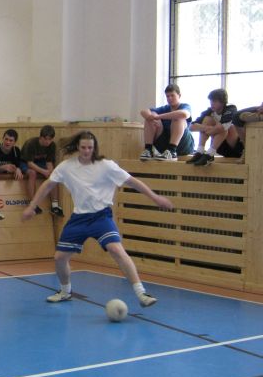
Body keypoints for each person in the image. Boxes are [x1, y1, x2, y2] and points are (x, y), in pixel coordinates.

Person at [22, 131, 172, 308]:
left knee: (116, 249)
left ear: (95, 148)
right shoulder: (66, 167)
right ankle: (65, 291)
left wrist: (155, 197)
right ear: (78, 147)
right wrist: (32, 206)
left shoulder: (106, 166)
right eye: (83, 147)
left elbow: (132, 181)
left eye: (90, 148)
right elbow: (48, 185)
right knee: (60, 258)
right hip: (79, 218)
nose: (87, 151)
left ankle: (141, 293)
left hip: (101, 217)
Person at [188, 89, 244, 166]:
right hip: (221, 147)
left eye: (214, 101)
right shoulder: (209, 111)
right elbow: (191, 127)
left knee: (228, 127)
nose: (211, 103)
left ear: (222, 101)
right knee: (207, 119)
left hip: (236, 149)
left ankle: (209, 154)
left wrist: (209, 130)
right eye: (210, 101)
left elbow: (222, 127)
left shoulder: (231, 108)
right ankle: (200, 151)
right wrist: (206, 128)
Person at [139, 84, 194, 161]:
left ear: (179, 95)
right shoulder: (165, 108)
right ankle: (148, 149)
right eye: (168, 96)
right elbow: (143, 111)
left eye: (172, 95)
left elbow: (184, 114)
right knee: (151, 116)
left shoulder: (185, 106)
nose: (170, 98)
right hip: (164, 145)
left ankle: (172, 151)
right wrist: (150, 116)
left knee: (177, 117)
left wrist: (159, 117)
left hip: (182, 145)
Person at [21, 125, 64, 217]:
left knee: (54, 176)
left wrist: (50, 172)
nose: (48, 142)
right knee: (32, 173)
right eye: (46, 139)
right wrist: (43, 171)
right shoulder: (31, 143)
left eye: (50, 139)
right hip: (25, 162)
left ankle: (55, 206)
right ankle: (33, 204)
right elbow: (30, 163)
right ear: (41, 137)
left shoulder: (52, 145)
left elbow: (49, 162)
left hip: (40, 162)